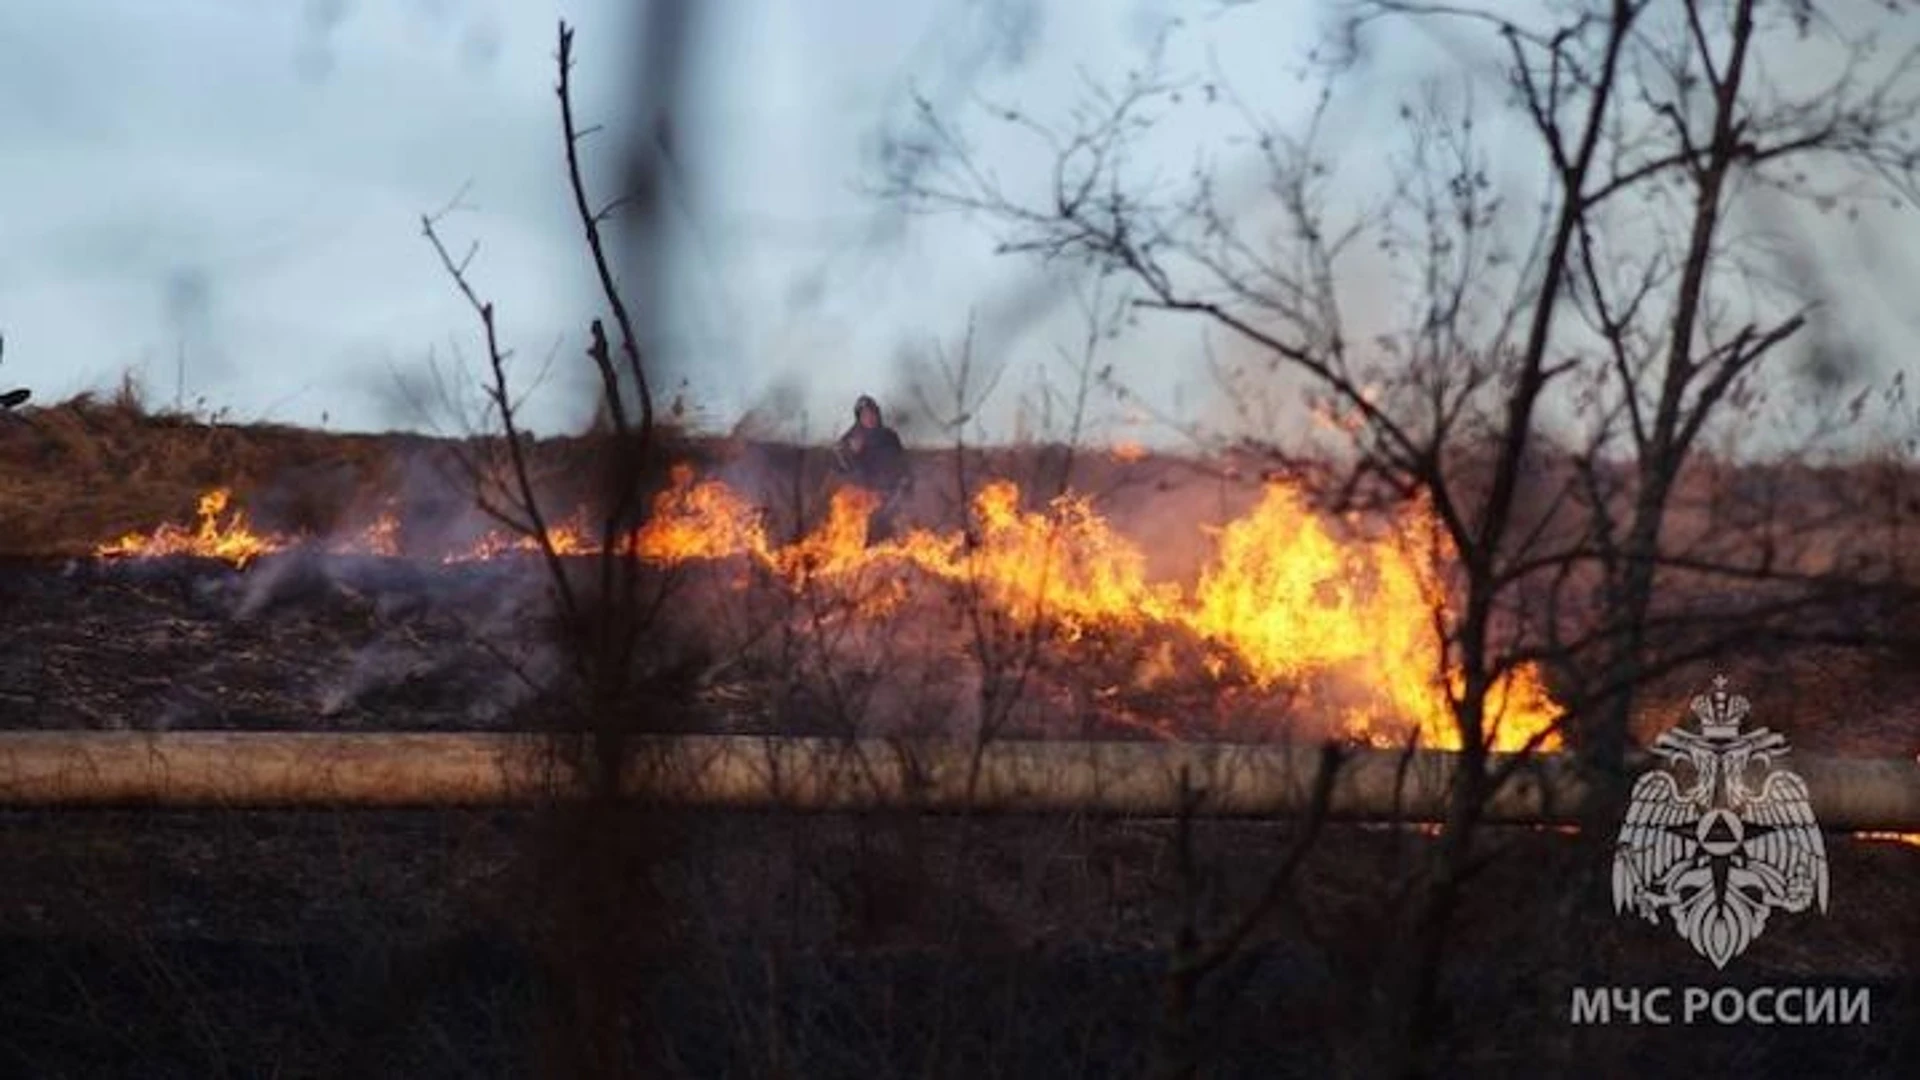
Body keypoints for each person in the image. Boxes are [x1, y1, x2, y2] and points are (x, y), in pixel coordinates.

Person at [834, 394, 911, 543]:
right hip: (865, 495)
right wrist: (852, 454)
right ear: (859, 417)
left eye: (872, 413)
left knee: (895, 531)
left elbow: (903, 462)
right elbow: (842, 469)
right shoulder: (851, 439)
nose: (869, 418)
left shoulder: (889, 436)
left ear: (877, 414)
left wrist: (906, 479)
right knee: (872, 527)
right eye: (864, 415)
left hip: (891, 492)